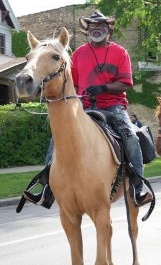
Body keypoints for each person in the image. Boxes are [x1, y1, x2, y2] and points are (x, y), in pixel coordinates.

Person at [23, 11, 152, 207]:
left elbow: (126, 83)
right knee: (56, 138)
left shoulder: (120, 52)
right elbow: (70, 83)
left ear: (108, 29)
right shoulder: (79, 53)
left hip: (113, 105)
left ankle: (138, 187)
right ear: (87, 30)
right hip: (83, 105)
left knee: (130, 136)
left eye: (101, 25)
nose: (96, 29)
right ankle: (48, 188)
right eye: (92, 26)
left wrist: (104, 87)